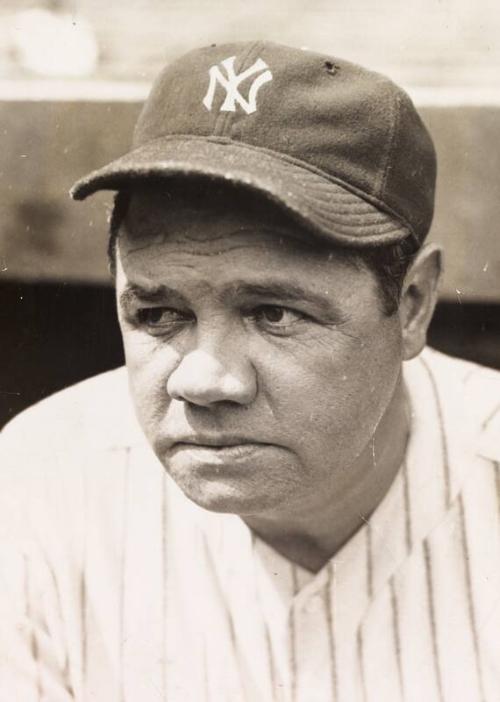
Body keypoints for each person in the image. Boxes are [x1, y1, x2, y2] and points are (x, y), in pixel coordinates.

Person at [0, 41, 498, 702]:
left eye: (274, 313)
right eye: (157, 314)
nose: (203, 381)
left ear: (411, 305)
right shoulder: (40, 486)